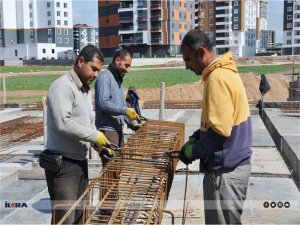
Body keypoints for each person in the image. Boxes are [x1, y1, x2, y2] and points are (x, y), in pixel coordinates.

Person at [179, 29, 252, 224]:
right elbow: (217, 121)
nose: (186, 66)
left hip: (225, 173)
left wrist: (192, 152)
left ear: (200, 53)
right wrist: (197, 136)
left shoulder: (217, 79)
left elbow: (219, 132)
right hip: (232, 168)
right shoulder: (225, 72)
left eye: (187, 60)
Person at [43, 45, 110, 224]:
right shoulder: (62, 86)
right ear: (80, 61)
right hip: (63, 166)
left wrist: (98, 143)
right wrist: (94, 136)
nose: (96, 75)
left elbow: (86, 123)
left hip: (80, 163)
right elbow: (63, 123)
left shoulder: (84, 89)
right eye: (93, 69)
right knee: (65, 218)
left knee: (81, 216)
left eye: (98, 71)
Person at [95, 49, 140, 165]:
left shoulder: (118, 80)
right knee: (111, 171)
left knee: (118, 170)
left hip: (117, 130)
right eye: (126, 65)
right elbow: (104, 103)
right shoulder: (105, 77)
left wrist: (132, 124)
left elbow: (121, 107)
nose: (128, 69)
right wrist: (125, 110)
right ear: (117, 60)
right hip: (108, 131)